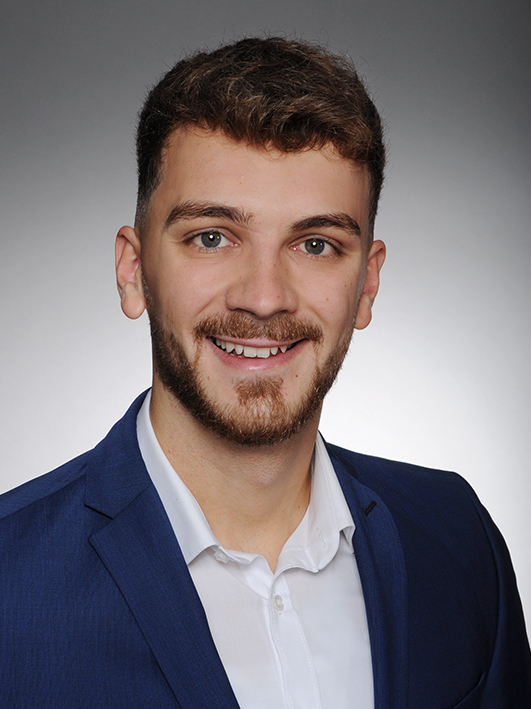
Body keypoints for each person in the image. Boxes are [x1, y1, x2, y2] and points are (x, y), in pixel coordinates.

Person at [0, 37, 529, 709]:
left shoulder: (456, 536)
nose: (264, 297)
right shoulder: (10, 581)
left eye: (315, 244)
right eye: (212, 237)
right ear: (133, 272)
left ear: (366, 285)